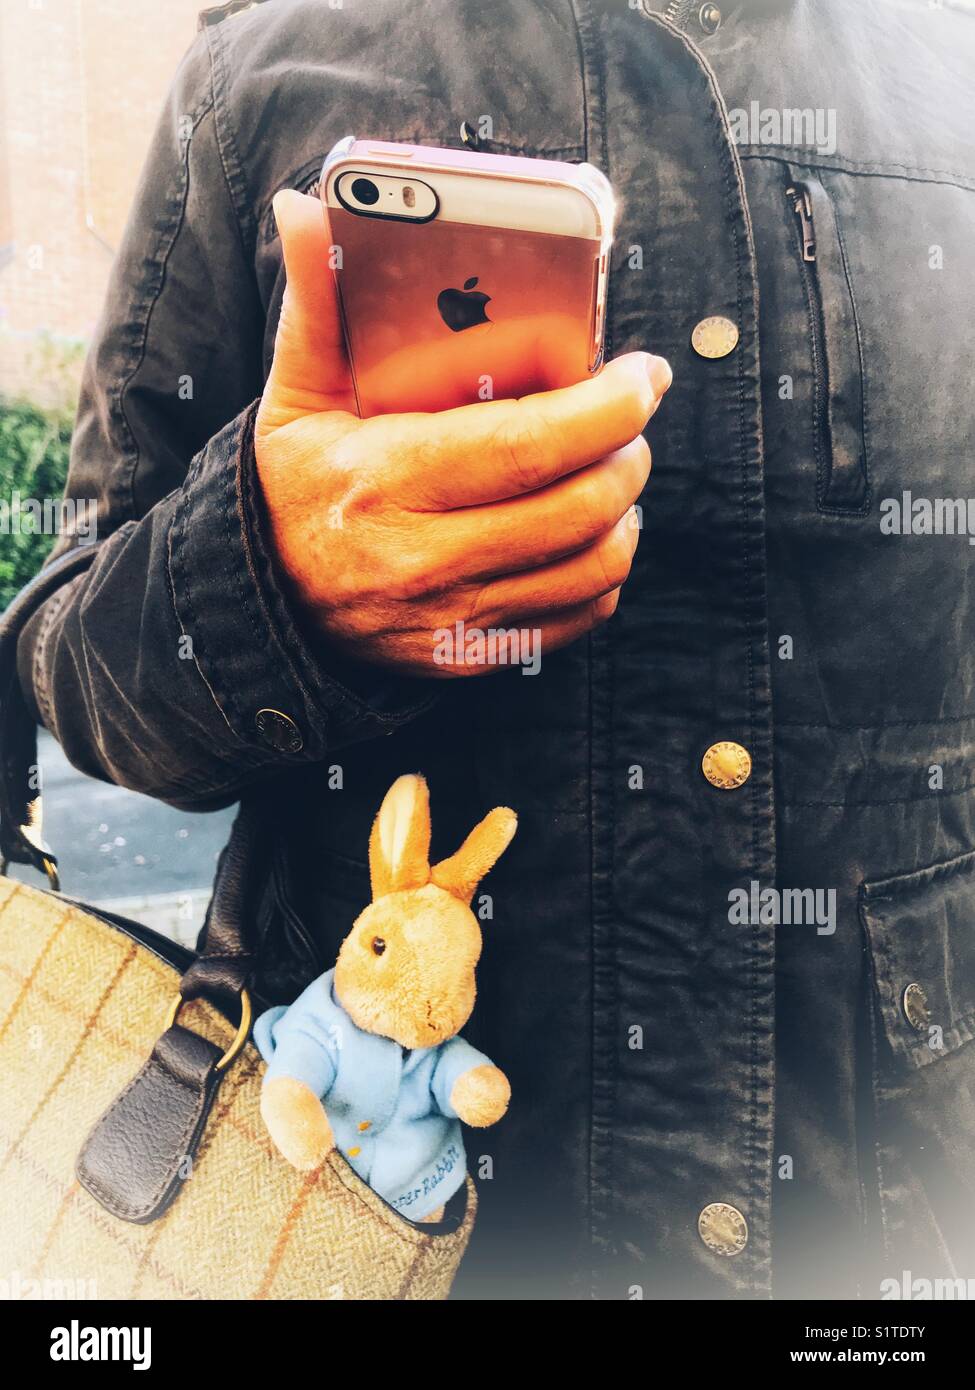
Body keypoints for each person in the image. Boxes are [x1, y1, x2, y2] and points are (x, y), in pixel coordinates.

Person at [15, 0, 975, 1299]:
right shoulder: (266, 64)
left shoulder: (949, 68)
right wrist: (263, 572)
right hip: (358, 1206)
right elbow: (71, 655)